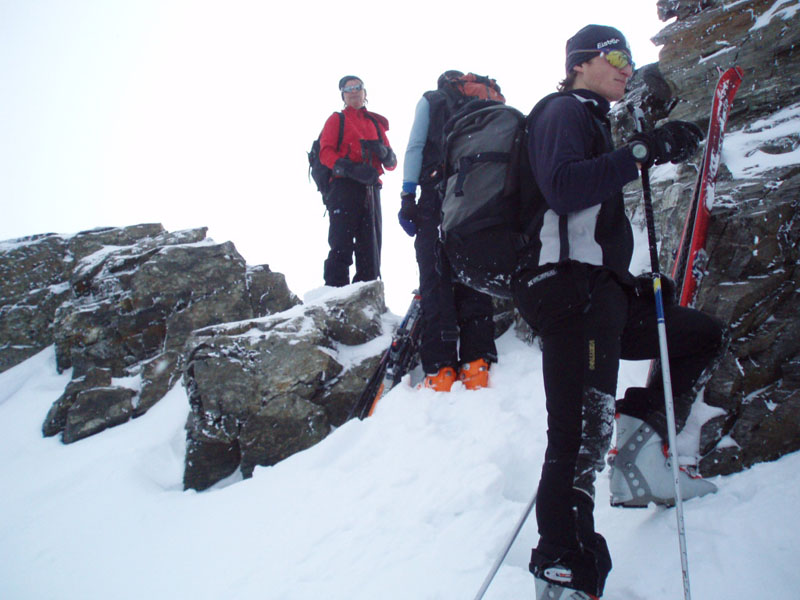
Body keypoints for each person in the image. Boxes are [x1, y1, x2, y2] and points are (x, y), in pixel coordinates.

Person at [512, 25, 724, 599]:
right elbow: (562, 188)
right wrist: (643, 151)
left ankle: (639, 449)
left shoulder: (592, 121)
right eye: (615, 55)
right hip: (567, 290)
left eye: (630, 57)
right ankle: (562, 568)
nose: (627, 67)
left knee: (699, 336)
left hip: (598, 291)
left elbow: (586, 224)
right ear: (580, 64)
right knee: (577, 435)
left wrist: (629, 283)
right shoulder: (561, 110)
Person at [399, 70, 498, 391]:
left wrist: (407, 195)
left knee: (435, 273)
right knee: (474, 270)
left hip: (437, 193)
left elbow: (415, 147)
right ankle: (477, 363)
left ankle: (441, 369)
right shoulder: (488, 102)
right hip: (479, 196)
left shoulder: (433, 100)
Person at [319, 76, 396, 287]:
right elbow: (325, 153)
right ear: (343, 95)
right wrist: (351, 169)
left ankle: (367, 291)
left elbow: (392, 163)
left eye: (357, 87)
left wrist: (385, 154)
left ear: (364, 92)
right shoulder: (337, 119)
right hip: (344, 187)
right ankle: (335, 292)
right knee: (341, 243)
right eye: (348, 88)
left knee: (370, 247)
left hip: (371, 188)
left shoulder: (375, 123)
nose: (353, 91)